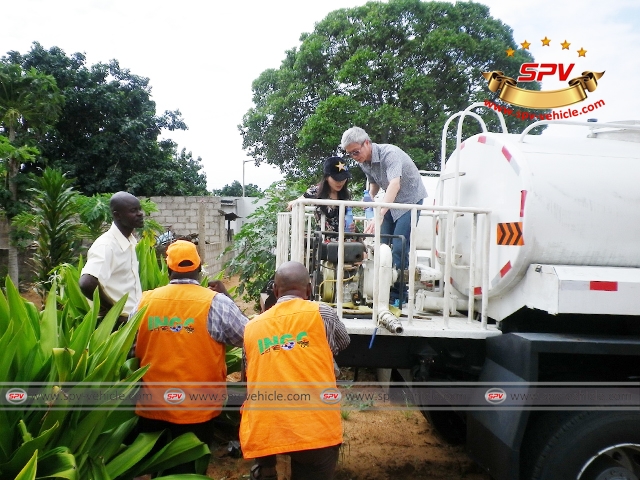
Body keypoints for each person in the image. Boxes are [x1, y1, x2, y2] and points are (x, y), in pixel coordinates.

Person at [133, 240, 248, 474]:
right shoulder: (216, 303)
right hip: (197, 407)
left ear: (168, 269)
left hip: (152, 405)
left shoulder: (144, 301)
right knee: (189, 471)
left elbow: (129, 346)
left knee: (156, 468)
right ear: (199, 268)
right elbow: (250, 338)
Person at [239, 261, 350, 480]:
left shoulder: (252, 327)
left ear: (275, 290)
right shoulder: (323, 313)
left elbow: (247, 376)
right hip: (313, 427)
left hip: (267, 429)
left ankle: (266, 467)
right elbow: (342, 342)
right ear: (309, 289)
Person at [341, 127, 427, 304]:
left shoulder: (390, 154)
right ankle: (380, 290)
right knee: (380, 246)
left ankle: (398, 296)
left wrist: (379, 214)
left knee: (399, 246)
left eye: (356, 152)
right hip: (389, 202)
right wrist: (368, 201)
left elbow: (394, 184)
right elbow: (374, 185)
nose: (354, 157)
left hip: (410, 201)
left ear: (367, 143)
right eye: (350, 154)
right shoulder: (363, 162)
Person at [79, 191, 144, 323]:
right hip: (115, 323)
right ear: (117, 215)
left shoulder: (128, 242)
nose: (140, 214)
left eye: (139, 209)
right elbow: (86, 283)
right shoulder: (107, 245)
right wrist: (113, 311)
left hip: (130, 319)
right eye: (133, 210)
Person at [288, 156, 353, 233]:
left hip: (345, 239)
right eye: (337, 179)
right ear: (326, 177)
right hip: (323, 240)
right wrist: (294, 204)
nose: (340, 182)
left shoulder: (347, 194)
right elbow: (296, 203)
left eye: (343, 178)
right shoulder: (315, 191)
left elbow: (349, 217)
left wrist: (353, 227)